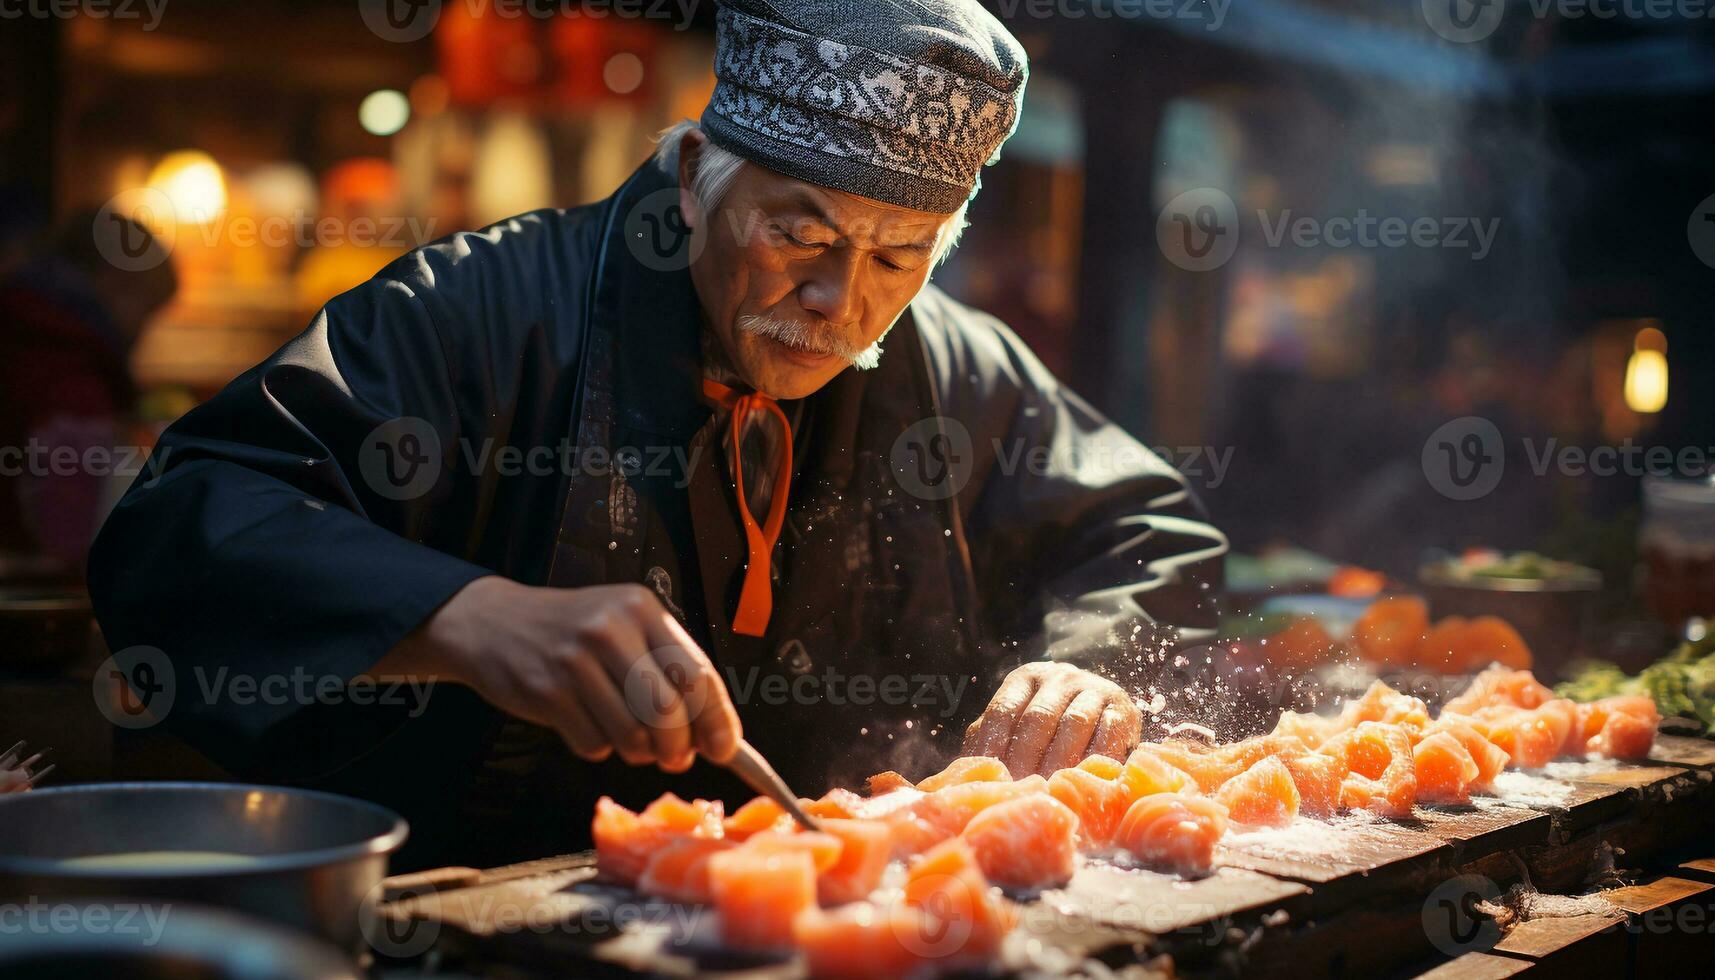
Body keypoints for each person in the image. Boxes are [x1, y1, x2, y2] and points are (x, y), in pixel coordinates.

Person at [88, 0, 1225, 869]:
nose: (842, 302)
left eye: (899, 255)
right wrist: (463, 616)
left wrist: (1083, 664)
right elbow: (176, 528)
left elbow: (1145, 527)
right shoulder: (486, 311)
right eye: (799, 231)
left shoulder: (945, 359)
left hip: (830, 908)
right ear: (691, 176)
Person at [0, 210, 175, 579]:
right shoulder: (74, 373)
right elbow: (68, 540)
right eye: (146, 312)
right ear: (116, 283)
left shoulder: (21, 322)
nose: (142, 334)